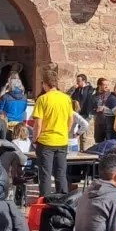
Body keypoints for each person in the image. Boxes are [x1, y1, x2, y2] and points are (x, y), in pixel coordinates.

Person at [32, 64, 73, 197]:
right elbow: (71, 119)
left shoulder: (42, 99)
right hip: (62, 140)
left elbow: (38, 123)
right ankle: (63, 198)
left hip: (46, 141)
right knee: (61, 172)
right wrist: (64, 132)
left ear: (44, 83)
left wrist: (35, 138)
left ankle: (45, 199)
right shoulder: (66, 98)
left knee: (45, 173)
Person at [70, 74, 98, 151]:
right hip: (77, 113)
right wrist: (73, 89)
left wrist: (91, 113)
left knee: (84, 135)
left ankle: (84, 150)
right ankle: (77, 150)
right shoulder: (76, 90)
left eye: (79, 81)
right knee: (76, 133)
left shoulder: (90, 90)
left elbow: (93, 100)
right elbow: (69, 97)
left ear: (84, 81)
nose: (77, 83)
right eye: (77, 81)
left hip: (86, 114)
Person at [96, 79, 116, 143]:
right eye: (105, 85)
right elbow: (89, 108)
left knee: (110, 143)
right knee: (99, 142)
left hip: (109, 122)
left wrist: (104, 108)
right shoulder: (94, 96)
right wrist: (96, 109)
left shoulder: (111, 95)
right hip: (99, 122)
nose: (106, 86)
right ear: (99, 86)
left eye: (107, 85)